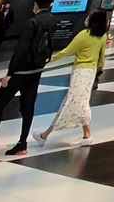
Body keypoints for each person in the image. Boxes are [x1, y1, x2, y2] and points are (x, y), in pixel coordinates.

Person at [0, 0, 56, 162]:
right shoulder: (52, 21)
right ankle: (22, 143)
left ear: (36, 5)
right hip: (36, 70)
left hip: (21, 71)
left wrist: (10, 73)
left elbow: (21, 48)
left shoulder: (32, 22)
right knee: (28, 106)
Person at [34, 9, 109, 146]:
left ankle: (46, 135)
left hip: (80, 71)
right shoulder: (103, 36)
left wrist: (47, 60)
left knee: (73, 102)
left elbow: (66, 51)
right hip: (91, 72)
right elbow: (101, 58)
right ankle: (84, 135)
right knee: (78, 101)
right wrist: (99, 70)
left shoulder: (83, 35)